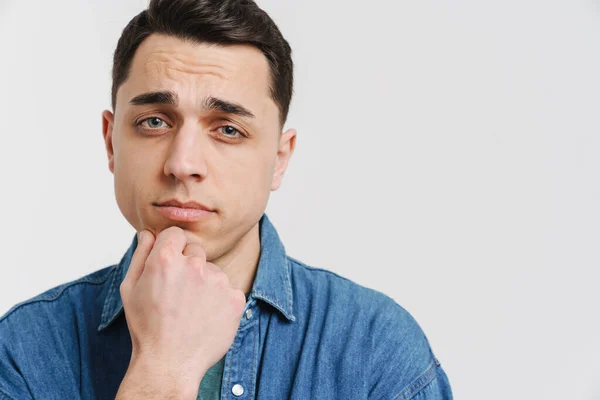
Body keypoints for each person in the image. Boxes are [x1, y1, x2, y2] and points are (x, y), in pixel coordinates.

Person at [0, 0, 453, 399]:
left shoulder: (376, 351)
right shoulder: (24, 349)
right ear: (111, 142)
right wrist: (161, 371)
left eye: (228, 129)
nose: (182, 163)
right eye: (155, 122)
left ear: (279, 159)